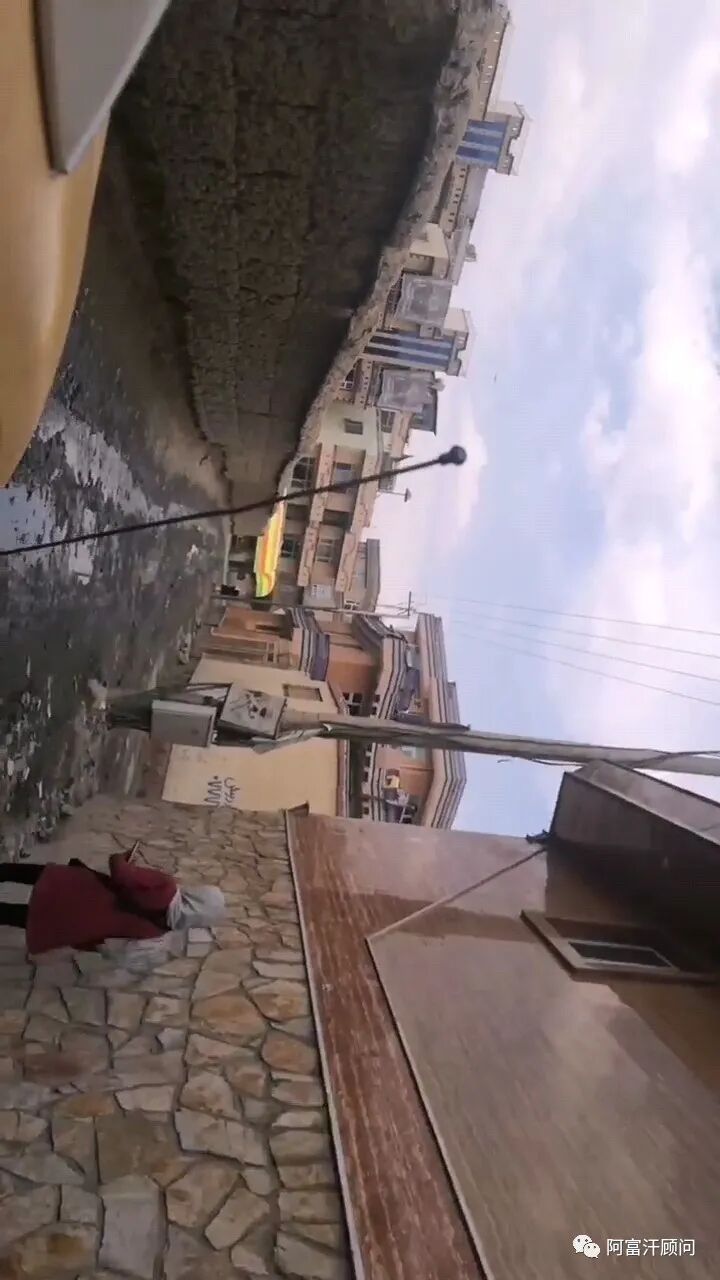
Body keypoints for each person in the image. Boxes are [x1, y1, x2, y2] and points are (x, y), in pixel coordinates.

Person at [0, 847, 226, 963]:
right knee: (10, 914)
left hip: (76, 888)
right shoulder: (158, 930)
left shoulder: (166, 887)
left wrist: (121, 857)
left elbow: (121, 874)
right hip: (71, 924)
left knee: (18, 873)